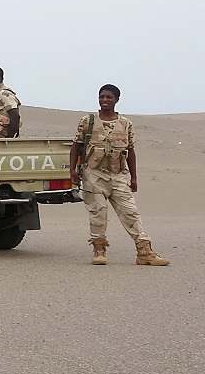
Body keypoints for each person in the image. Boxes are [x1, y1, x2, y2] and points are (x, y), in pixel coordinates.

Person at [70, 84, 170, 266]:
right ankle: (99, 250)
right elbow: (76, 146)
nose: (104, 100)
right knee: (98, 214)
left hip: (117, 176)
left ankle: (144, 251)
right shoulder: (88, 121)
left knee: (130, 212)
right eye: (101, 96)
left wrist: (134, 177)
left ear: (116, 99)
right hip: (93, 175)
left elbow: (130, 150)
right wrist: (72, 171)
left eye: (108, 97)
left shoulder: (125, 124)